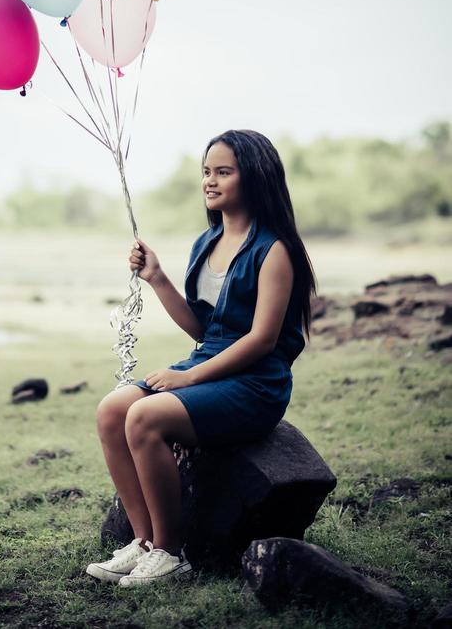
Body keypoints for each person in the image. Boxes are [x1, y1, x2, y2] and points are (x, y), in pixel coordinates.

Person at [85, 129, 316, 587]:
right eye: (206, 172)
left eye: (223, 172)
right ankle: (144, 542)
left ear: (254, 177)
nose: (210, 181)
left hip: (256, 382)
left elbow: (262, 340)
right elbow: (203, 330)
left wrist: (188, 379)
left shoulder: (274, 251)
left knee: (145, 418)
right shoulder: (205, 244)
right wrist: (157, 278)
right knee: (113, 410)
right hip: (209, 365)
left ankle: (172, 554)